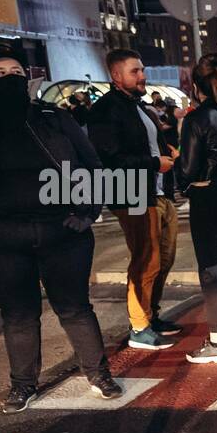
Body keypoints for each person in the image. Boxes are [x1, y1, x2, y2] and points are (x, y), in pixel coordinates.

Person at [0, 43, 119, 413]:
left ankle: (98, 374)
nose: (8, 79)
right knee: (18, 313)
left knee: (74, 308)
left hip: (62, 232)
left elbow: (93, 165)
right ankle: (23, 385)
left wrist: (87, 211)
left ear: (28, 78)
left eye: (15, 73)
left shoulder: (54, 118)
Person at [88, 49, 180, 351]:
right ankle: (140, 326)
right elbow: (110, 158)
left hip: (158, 192)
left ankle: (150, 315)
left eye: (142, 70)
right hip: (132, 194)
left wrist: (167, 152)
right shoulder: (105, 110)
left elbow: (150, 142)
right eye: (135, 71)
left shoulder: (138, 107)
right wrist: (156, 164)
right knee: (146, 258)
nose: (142, 76)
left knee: (164, 257)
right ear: (116, 76)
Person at [178, 53, 217, 365]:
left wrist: (179, 171)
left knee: (211, 270)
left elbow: (188, 168)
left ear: (195, 85)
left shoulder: (195, 119)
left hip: (205, 197)